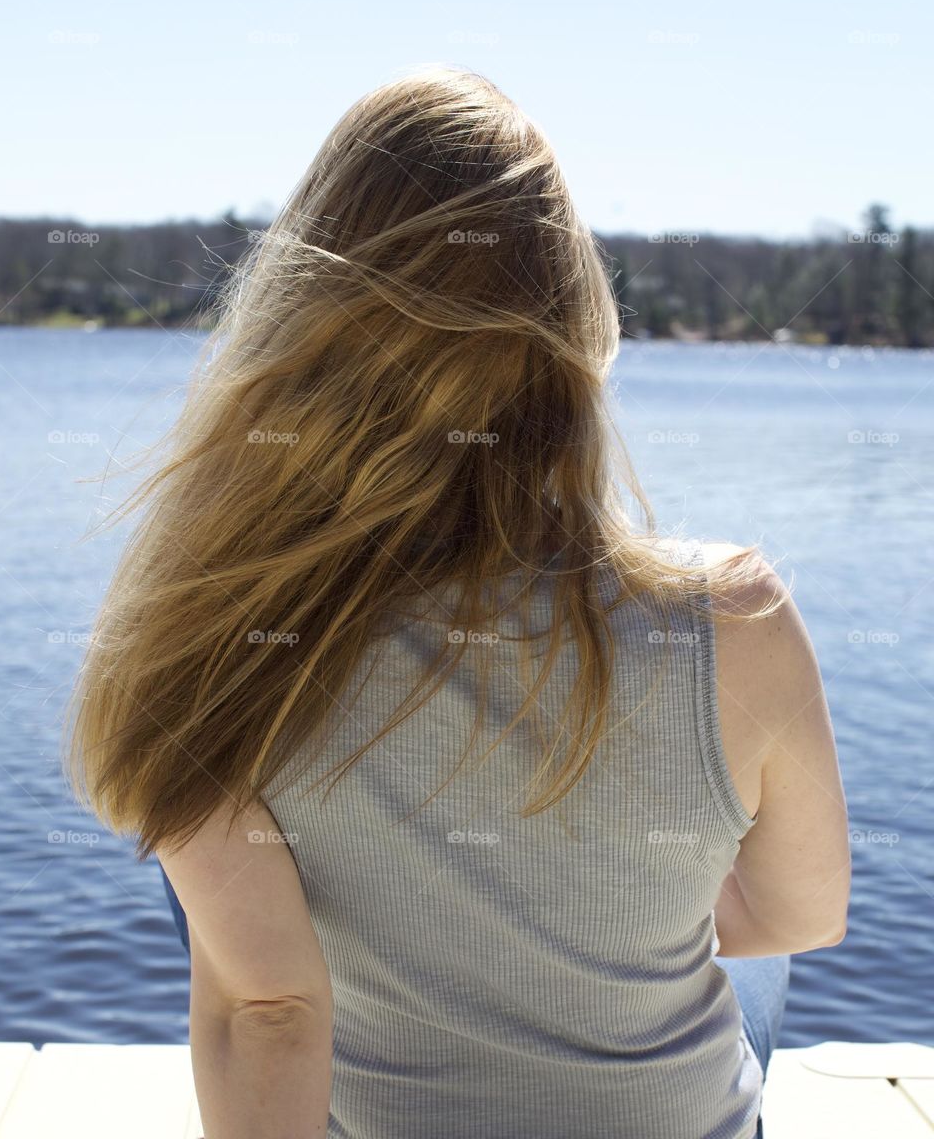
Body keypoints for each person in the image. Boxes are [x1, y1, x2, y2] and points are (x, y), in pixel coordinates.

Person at [67, 67, 850, 1139]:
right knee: (750, 954)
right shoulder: (738, 616)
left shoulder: (214, 639)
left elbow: (271, 1014)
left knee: (225, 893)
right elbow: (803, 913)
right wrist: (608, 898)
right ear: (576, 324)